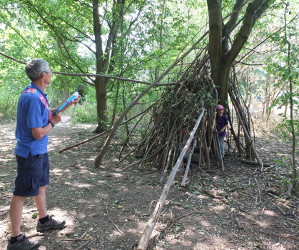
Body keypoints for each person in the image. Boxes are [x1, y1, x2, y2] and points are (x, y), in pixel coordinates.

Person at [7, 59, 79, 250]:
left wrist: (66, 105)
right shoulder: (30, 98)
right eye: (49, 70)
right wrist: (54, 123)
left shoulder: (37, 94)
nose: (52, 72)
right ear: (43, 75)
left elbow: (46, 114)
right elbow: (37, 132)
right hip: (30, 153)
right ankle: (15, 239)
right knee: (21, 194)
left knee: (41, 185)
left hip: (38, 152)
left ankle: (44, 220)